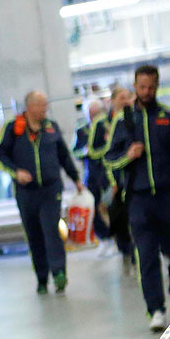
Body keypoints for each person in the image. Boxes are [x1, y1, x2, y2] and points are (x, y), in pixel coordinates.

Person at [107, 64, 170, 329]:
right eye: (141, 86)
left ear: (157, 87)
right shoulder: (123, 122)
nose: (145, 91)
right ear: (135, 86)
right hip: (139, 200)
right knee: (145, 255)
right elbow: (110, 160)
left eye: (150, 87)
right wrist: (128, 156)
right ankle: (155, 309)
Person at [0, 91, 85, 294]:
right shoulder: (13, 128)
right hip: (26, 192)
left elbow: (64, 155)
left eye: (46, 105)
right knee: (34, 234)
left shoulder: (51, 127)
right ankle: (41, 278)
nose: (45, 109)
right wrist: (16, 172)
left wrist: (76, 178)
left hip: (51, 190)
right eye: (41, 105)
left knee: (52, 230)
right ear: (30, 107)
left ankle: (59, 272)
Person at [101, 86, 137, 269]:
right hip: (109, 179)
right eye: (121, 97)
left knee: (133, 217)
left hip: (130, 180)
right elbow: (99, 152)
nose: (124, 100)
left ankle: (135, 253)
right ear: (113, 100)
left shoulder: (135, 120)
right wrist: (112, 182)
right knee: (118, 220)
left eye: (127, 97)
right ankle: (124, 249)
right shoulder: (102, 123)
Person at [74, 98, 114, 252]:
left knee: (110, 205)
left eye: (97, 112)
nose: (94, 115)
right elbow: (75, 151)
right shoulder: (81, 130)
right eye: (91, 113)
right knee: (93, 206)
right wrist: (84, 152)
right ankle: (104, 238)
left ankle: (118, 237)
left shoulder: (107, 126)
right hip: (91, 174)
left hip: (108, 172)